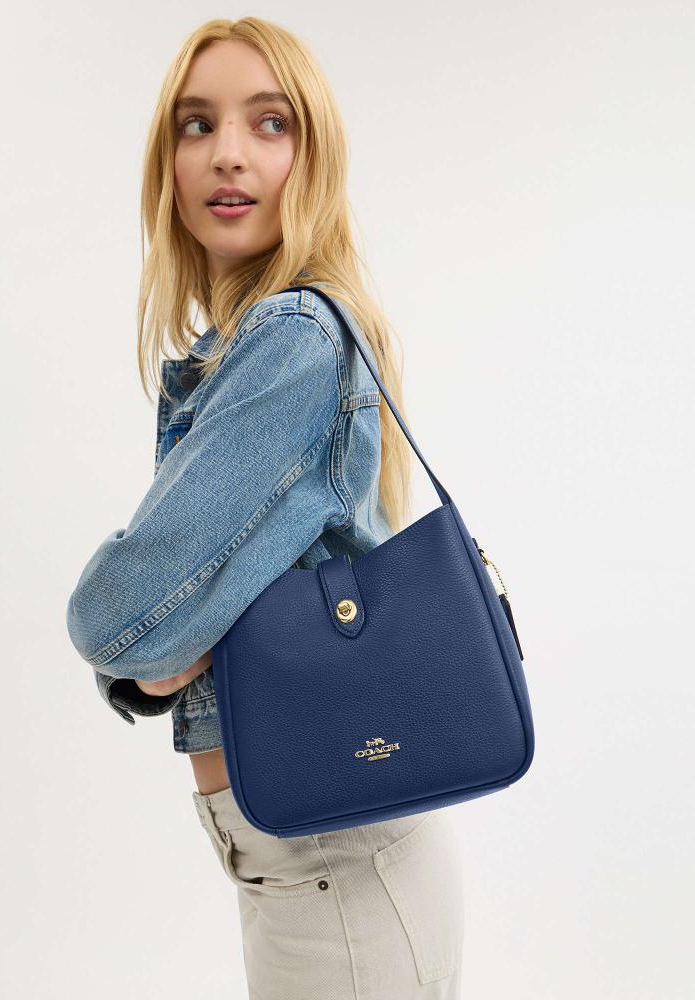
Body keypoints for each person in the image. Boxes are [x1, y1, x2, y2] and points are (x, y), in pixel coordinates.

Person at [65, 16, 465, 999]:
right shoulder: (244, 344)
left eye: (269, 122)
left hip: (337, 869)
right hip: (311, 863)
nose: (228, 154)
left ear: (311, 156)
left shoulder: (291, 335)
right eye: (196, 124)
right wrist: (148, 663)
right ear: (166, 162)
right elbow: (154, 631)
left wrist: (138, 652)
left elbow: (115, 614)